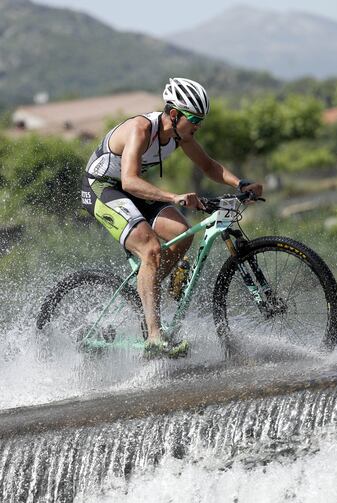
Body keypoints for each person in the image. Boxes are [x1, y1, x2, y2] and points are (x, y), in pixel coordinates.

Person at [82, 77, 262, 358]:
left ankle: (145, 288)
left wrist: (240, 184)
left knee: (182, 234)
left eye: (201, 120)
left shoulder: (181, 136)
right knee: (151, 249)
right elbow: (129, 181)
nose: (197, 126)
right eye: (194, 119)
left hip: (132, 189)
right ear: (174, 114)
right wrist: (173, 197)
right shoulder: (141, 129)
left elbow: (209, 166)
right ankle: (154, 337)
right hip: (102, 188)